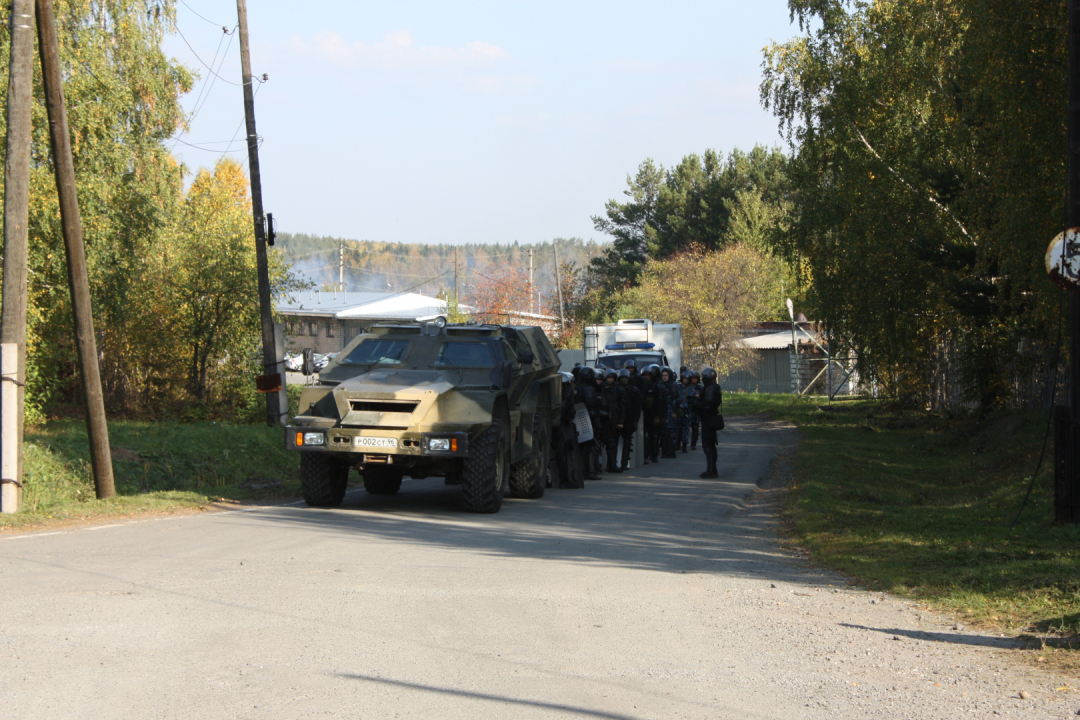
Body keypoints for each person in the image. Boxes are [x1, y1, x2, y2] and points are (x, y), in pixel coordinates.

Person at [689, 366, 723, 478]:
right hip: (708, 418)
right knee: (709, 445)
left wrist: (695, 402)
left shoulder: (711, 388)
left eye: (703, 377)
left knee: (708, 446)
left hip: (709, 419)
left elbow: (708, 406)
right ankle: (712, 469)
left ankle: (712, 470)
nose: (702, 379)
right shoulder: (712, 387)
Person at [555, 372, 584, 488]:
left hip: (560, 425)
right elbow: (565, 411)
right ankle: (564, 480)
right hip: (561, 426)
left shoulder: (562, 394)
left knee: (563, 453)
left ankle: (563, 479)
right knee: (561, 453)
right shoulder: (561, 396)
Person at [573, 366, 601, 480]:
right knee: (589, 447)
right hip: (587, 420)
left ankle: (580, 471)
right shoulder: (588, 389)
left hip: (577, 419)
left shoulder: (576, 387)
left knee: (580, 448)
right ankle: (588, 471)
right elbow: (591, 408)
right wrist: (597, 424)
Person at [600, 369, 625, 473]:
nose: (610, 380)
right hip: (602, 420)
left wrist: (621, 421)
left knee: (612, 443)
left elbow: (623, 407)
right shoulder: (600, 389)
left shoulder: (618, 389)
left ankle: (612, 465)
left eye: (612, 378)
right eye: (609, 378)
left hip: (614, 420)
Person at [618, 368, 641, 471]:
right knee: (613, 442)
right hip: (617, 418)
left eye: (625, 378)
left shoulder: (634, 390)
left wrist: (635, 420)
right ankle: (614, 463)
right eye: (622, 378)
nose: (624, 380)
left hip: (629, 418)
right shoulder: (616, 389)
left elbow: (637, 407)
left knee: (627, 442)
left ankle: (624, 463)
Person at [640, 364, 662, 463]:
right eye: (645, 375)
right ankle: (644, 455)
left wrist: (658, 415)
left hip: (653, 414)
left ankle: (654, 455)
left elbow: (660, 402)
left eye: (648, 375)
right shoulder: (640, 387)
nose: (647, 377)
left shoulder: (656, 386)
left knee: (654, 436)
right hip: (643, 414)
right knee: (643, 436)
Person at [659, 367, 678, 459]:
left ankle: (671, 451)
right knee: (664, 432)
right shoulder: (660, 384)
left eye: (666, 375)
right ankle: (665, 450)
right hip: (663, 410)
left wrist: (674, 411)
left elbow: (676, 399)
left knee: (671, 432)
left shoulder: (673, 385)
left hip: (670, 411)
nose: (664, 377)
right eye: (663, 376)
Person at [676, 370, 694, 453]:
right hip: (678, 411)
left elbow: (693, 400)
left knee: (685, 430)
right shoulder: (677, 387)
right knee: (677, 428)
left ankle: (684, 446)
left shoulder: (691, 389)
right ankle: (677, 444)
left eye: (688, 379)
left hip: (687, 412)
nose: (686, 380)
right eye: (685, 378)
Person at [688, 370, 702, 451]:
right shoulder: (687, 387)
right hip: (688, 410)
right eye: (692, 378)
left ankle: (693, 444)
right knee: (684, 428)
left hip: (696, 411)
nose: (694, 380)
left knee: (695, 428)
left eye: (695, 378)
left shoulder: (700, 388)